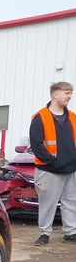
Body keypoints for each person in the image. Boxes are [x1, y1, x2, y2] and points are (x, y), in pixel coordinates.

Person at [29, 81, 76, 246]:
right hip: (49, 169)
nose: (70, 96)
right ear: (55, 94)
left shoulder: (72, 117)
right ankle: (45, 233)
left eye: (70, 92)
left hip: (71, 168)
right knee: (48, 203)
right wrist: (52, 161)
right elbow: (36, 145)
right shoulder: (40, 117)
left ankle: (70, 233)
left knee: (71, 201)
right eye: (67, 92)